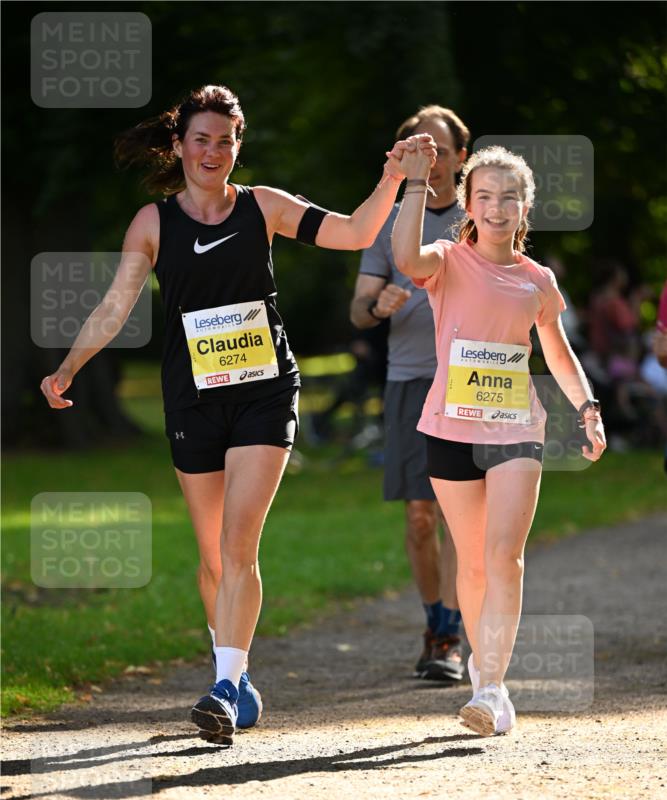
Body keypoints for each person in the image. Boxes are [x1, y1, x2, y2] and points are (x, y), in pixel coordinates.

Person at [40, 83, 436, 746]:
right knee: (211, 557)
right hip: (192, 398)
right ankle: (238, 675)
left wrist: (394, 176)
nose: (213, 151)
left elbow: (353, 232)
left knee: (237, 544)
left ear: (237, 147)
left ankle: (222, 687)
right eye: (201, 139)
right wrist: (68, 366)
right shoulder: (153, 223)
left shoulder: (265, 208)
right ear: (178, 144)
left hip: (264, 390)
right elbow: (115, 307)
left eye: (226, 141)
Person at [391, 142, 606, 736]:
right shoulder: (447, 259)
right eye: (483, 196)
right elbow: (404, 254)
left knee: (503, 556)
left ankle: (490, 689)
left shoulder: (538, 279)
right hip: (449, 427)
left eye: (508, 196)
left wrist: (587, 406)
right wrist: (413, 186)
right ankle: (486, 678)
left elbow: (557, 351)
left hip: (515, 428)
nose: (495, 207)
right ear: (466, 203)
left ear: (525, 206)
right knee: (474, 562)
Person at [350, 106, 470, 683]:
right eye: (421, 151)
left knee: (458, 516)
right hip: (409, 381)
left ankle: (452, 631)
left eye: (442, 151)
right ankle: (437, 625)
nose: (434, 161)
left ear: (461, 157)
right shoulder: (392, 221)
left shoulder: (484, 218)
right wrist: (379, 305)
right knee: (421, 516)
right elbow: (358, 308)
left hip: (470, 385)